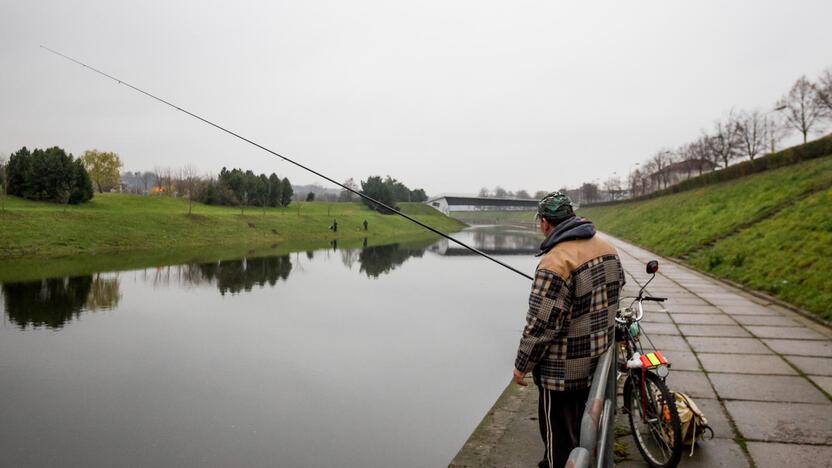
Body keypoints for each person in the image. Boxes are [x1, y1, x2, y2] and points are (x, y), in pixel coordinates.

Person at [512, 191, 624, 468]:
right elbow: (618, 286)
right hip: (596, 361)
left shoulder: (555, 262)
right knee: (582, 431)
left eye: (540, 221)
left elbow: (541, 324)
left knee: (558, 443)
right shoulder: (606, 247)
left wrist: (521, 364)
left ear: (546, 222)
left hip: (560, 374)